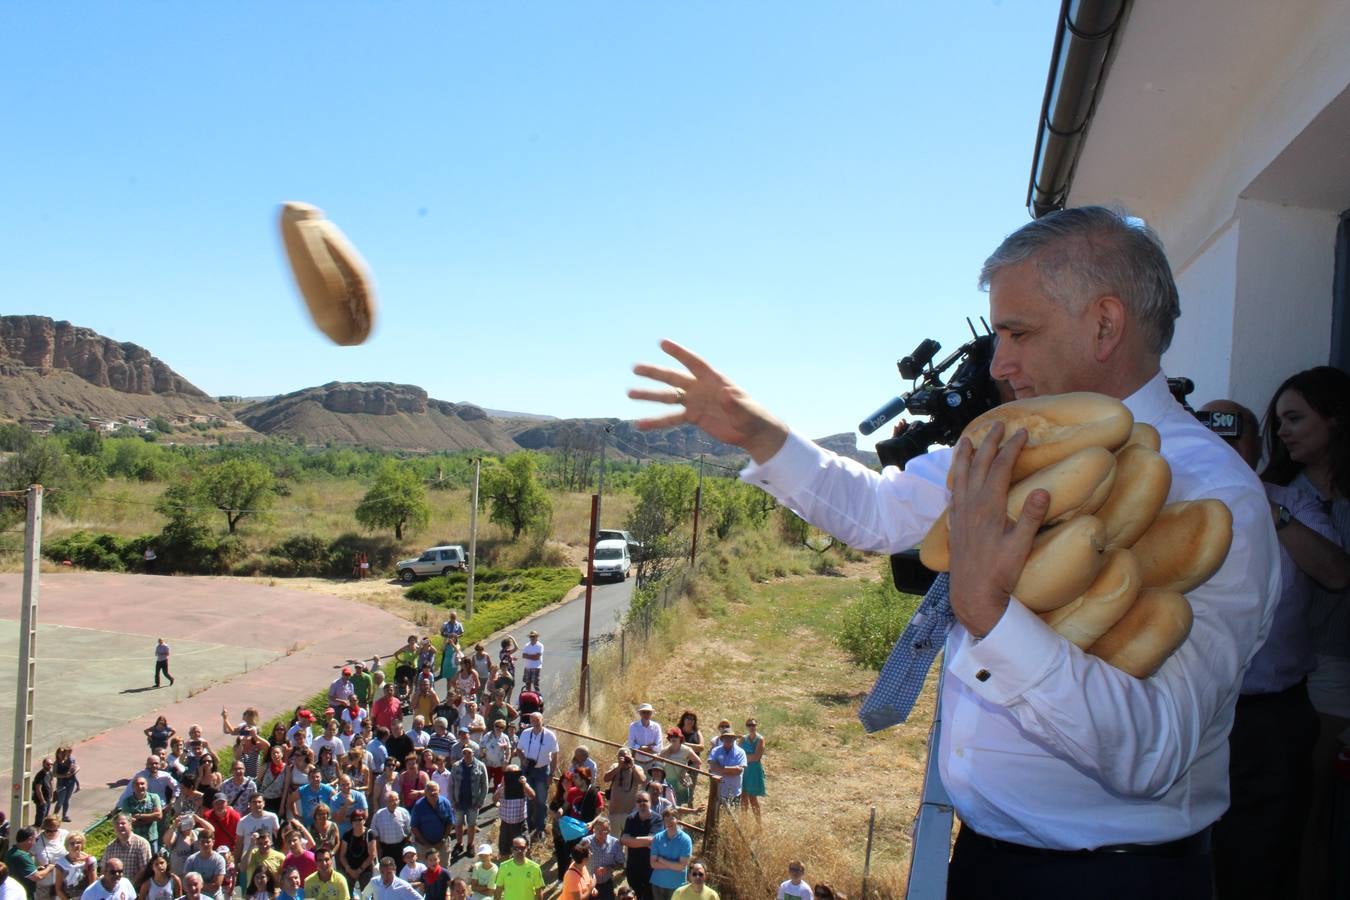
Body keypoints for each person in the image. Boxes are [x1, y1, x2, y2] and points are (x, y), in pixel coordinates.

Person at [629, 206, 1282, 895]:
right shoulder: (1015, 441)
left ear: (1105, 324)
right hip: (986, 861)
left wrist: (990, 615)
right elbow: (881, 511)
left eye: (1019, 333)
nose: (1000, 363)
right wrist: (761, 435)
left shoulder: (1212, 500)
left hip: (1116, 878)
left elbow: (1156, 751)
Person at [1197, 399, 1347, 899]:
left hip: (1270, 718)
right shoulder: (1169, 500)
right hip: (1191, 713)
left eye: (1234, 437)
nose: (1222, 447)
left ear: (1257, 447)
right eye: (1211, 435)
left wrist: (1257, 500)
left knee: (1267, 856)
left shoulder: (1291, 503)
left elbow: (1335, 573)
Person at [1256, 366, 1350, 899]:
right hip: (1315, 674)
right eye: (1278, 422)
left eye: (1296, 418)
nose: (1284, 432)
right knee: (1305, 821)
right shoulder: (1277, 496)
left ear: (1334, 420)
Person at [513, 714, 557, 839]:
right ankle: (529, 825)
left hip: (542, 771)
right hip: (528, 770)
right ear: (530, 721)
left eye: (538, 720)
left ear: (542, 721)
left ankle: (540, 828)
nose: (535, 722)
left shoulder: (549, 735)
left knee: (541, 801)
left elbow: (554, 756)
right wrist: (523, 759)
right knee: (528, 798)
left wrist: (551, 774)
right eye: (533, 720)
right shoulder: (526, 733)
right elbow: (519, 750)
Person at [447, 748, 487, 858]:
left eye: (469, 753)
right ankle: (459, 844)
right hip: (458, 802)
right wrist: (452, 801)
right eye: (464, 753)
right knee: (458, 824)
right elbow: (451, 785)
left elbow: (484, 785)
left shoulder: (480, 766)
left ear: (473, 753)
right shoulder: (456, 766)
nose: (467, 755)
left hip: (473, 802)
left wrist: (480, 801)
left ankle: (470, 845)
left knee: (471, 824)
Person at [619, 793, 660, 900]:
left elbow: (652, 840)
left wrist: (630, 840)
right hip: (633, 867)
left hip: (650, 868)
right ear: (636, 804)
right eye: (639, 801)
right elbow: (624, 840)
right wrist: (645, 841)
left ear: (650, 803)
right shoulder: (630, 818)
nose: (642, 803)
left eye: (645, 800)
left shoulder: (657, 819)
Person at [647, 811, 692, 900]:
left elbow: (681, 867)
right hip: (658, 884)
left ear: (677, 820)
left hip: (677, 886)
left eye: (672, 818)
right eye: (666, 820)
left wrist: (661, 860)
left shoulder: (685, 840)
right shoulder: (657, 838)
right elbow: (653, 864)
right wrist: (673, 865)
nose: (669, 822)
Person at [492, 768, 534, 859]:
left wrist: (524, 784)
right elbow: (494, 800)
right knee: (504, 850)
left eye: (515, 774)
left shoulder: (523, 786)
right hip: (506, 824)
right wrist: (501, 786)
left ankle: (525, 865)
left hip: (520, 823)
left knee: (524, 848)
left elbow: (532, 796)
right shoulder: (502, 786)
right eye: (509, 774)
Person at [101, 816, 153, 887]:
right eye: (117, 824)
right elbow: (104, 869)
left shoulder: (142, 844)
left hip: (137, 889)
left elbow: (144, 869)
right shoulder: (110, 847)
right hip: (114, 889)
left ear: (130, 825)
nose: (120, 826)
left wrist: (128, 886)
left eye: (123, 823)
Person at [580, 818, 624, 900]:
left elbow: (621, 864)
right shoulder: (585, 842)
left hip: (606, 884)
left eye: (603, 830)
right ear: (593, 830)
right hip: (588, 884)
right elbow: (577, 862)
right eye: (597, 829)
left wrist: (609, 868)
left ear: (609, 831)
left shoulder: (615, 843)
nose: (600, 833)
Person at [338, 810, 375, 896]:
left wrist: (359, 870)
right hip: (349, 870)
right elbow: (342, 855)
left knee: (367, 895)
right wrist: (349, 869)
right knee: (348, 895)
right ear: (351, 822)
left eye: (360, 819)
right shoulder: (346, 835)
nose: (357, 822)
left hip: (365, 871)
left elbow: (372, 855)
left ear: (364, 821)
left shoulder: (370, 834)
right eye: (355, 820)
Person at [7, 828, 50, 900]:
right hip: (24, 894)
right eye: (35, 839)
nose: (36, 842)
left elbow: (21, 870)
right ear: (30, 839)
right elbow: (37, 877)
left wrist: (36, 869)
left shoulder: (11, 851)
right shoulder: (21, 856)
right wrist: (49, 868)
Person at [368, 793, 411, 866]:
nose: (395, 802)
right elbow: (374, 833)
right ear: (386, 802)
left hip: (401, 847)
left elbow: (409, 830)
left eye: (396, 800)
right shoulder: (379, 814)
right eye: (391, 800)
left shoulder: (404, 812)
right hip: (385, 849)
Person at [705, 732, 744, 807]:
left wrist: (720, 769)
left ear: (734, 739)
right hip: (718, 790)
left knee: (733, 816)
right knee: (717, 815)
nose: (728, 739)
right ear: (722, 739)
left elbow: (739, 771)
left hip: (734, 791)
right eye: (726, 737)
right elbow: (712, 767)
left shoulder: (740, 752)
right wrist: (733, 769)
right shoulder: (715, 751)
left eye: (730, 737)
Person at [183, 832, 226, 900]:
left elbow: (216, 885)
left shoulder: (219, 860)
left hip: (214, 896)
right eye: (202, 841)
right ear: (198, 843)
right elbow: (186, 882)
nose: (205, 844)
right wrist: (195, 886)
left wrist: (196, 885)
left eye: (208, 842)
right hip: (195, 896)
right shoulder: (191, 860)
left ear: (213, 842)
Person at [33, 817, 68, 900]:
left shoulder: (65, 835)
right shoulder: (37, 840)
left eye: (54, 830)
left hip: (63, 882)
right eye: (48, 830)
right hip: (45, 884)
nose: (51, 833)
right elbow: (27, 855)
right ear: (44, 828)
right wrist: (35, 868)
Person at [737, 720, 765, 823]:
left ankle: (758, 823)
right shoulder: (743, 739)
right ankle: (744, 822)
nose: (751, 727)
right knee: (743, 797)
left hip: (753, 770)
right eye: (749, 725)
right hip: (744, 770)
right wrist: (747, 757)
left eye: (753, 725)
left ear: (756, 726)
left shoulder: (760, 739)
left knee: (753, 798)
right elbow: (737, 754)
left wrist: (744, 758)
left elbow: (757, 757)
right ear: (746, 727)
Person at [53, 833, 95, 900]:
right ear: (67, 845)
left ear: (82, 844)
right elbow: (58, 889)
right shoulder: (60, 863)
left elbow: (92, 886)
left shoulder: (90, 860)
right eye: (72, 843)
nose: (75, 845)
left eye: (78, 842)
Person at [52, 747, 78, 823]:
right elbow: (54, 774)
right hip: (61, 783)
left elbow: (77, 767)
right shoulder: (56, 763)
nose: (62, 754)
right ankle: (54, 816)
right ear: (57, 754)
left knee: (67, 800)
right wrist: (64, 776)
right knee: (60, 801)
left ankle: (64, 816)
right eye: (60, 752)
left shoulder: (69, 761)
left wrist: (73, 772)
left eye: (63, 752)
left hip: (70, 782)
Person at [32, 760, 54, 827]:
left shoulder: (50, 773)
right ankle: (38, 828)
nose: (50, 766)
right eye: (48, 764)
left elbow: (51, 783)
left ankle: (43, 828)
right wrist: (42, 800)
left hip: (48, 798)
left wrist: (52, 795)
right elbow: (38, 788)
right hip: (41, 800)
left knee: (46, 816)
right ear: (43, 764)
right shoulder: (40, 775)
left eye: (51, 764)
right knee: (41, 816)